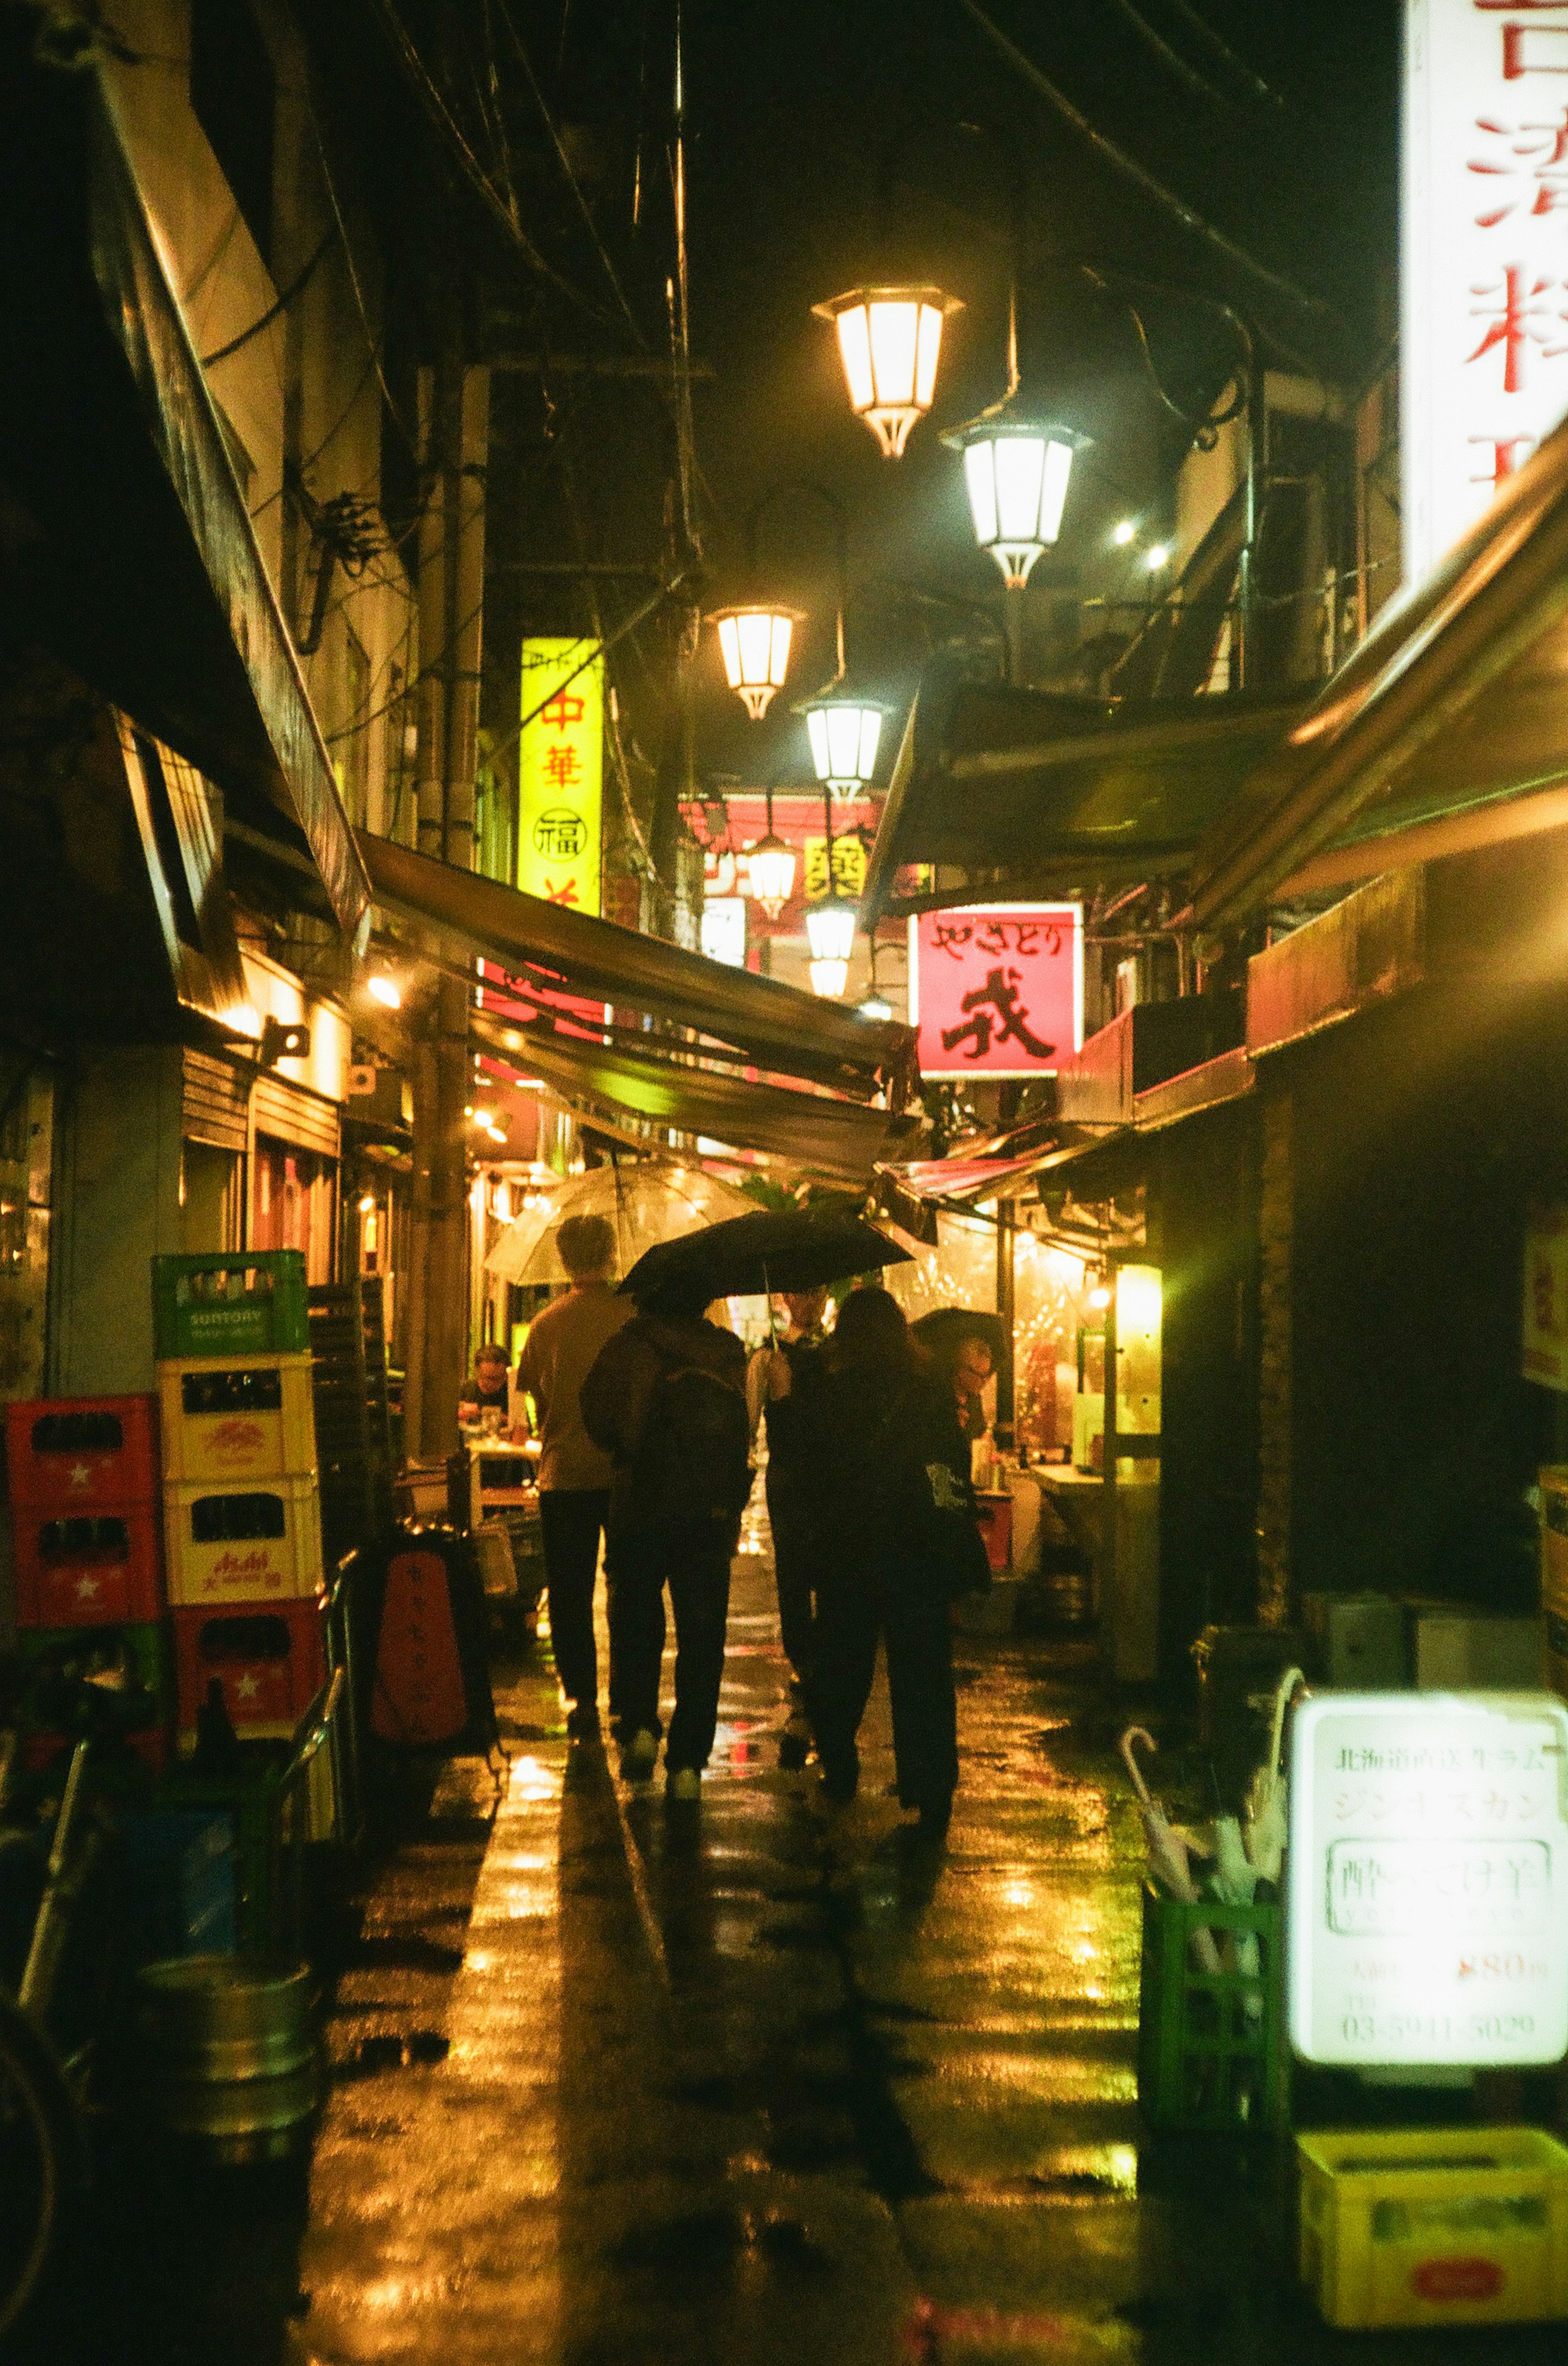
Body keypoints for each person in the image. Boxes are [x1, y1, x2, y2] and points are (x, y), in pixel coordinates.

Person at [782, 1289, 985, 1836]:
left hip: (847, 1548)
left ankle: (841, 1767)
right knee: (922, 1673)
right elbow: (949, 1468)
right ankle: (931, 1789)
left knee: (841, 1665)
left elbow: (802, 1467)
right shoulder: (927, 1392)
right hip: (916, 1550)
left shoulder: (827, 1391)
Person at [580, 1275, 751, 1801]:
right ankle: (688, 1766)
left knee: (636, 1618)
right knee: (702, 1635)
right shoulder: (726, 1351)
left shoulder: (625, 1349)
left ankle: (639, 1728)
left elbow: (598, 1422)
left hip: (640, 1503)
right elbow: (744, 1426)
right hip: (709, 1511)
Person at [514, 1214, 632, 1742]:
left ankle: (582, 1696)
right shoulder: (632, 1316)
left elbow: (536, 1404)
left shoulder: (545, 1324)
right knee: (630, 1586)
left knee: (569, 1591)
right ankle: (629, 1697)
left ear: (564, 1260)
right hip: (625, 1472)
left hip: (563, 1475)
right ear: (611, 1256)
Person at [746, 1286, 831, 1743]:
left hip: (832, 1480)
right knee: (794, 1574)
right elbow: (750, 1419)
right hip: (789, 1479)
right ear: (784, 1298)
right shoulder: (768, 1356)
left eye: (817, 1292)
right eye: (802, 1293)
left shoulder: (837, 1353)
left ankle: (825, 1656)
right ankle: (805, 1659)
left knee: (829, 1570)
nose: (811, 1301)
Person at [459, 1342, 515, 1429]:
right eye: (486, 1377)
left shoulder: (512, 1395)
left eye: (497, 1379)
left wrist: (483, 1412)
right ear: (477, 1371)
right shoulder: (465, 1390)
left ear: (506, 1376)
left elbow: (522, 1428)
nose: (490, 1384)